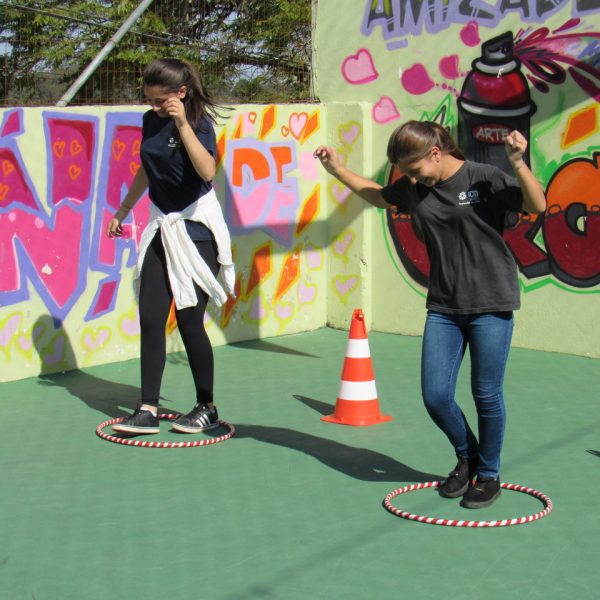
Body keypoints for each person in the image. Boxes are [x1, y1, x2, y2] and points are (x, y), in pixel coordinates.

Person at [314, 121, 546, 509]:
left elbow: (536, 205)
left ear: (435, 153)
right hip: (443, 307)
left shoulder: (482, 177)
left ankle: (489, 475)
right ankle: (468, 456)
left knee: (486, 394)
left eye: (415, 168)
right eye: (405, 171)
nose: (411, 177)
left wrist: (519, 163)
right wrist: (337, 170)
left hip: (491, 304)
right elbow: (378, 196)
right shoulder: (414, 187)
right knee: (436, 396)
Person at [107, 58, 235, 436]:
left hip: (197, 232)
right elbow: (148, 167)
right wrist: (123, 209)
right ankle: (147, 408)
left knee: (189, 321)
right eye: (149, 100)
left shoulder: (199, 123)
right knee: (150, 316)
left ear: (181, 93)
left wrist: (182, 125)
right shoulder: (150, 120)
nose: (155, 107)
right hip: (161, 227)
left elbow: (207, 171)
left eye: (162, 100)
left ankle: (206, 406)